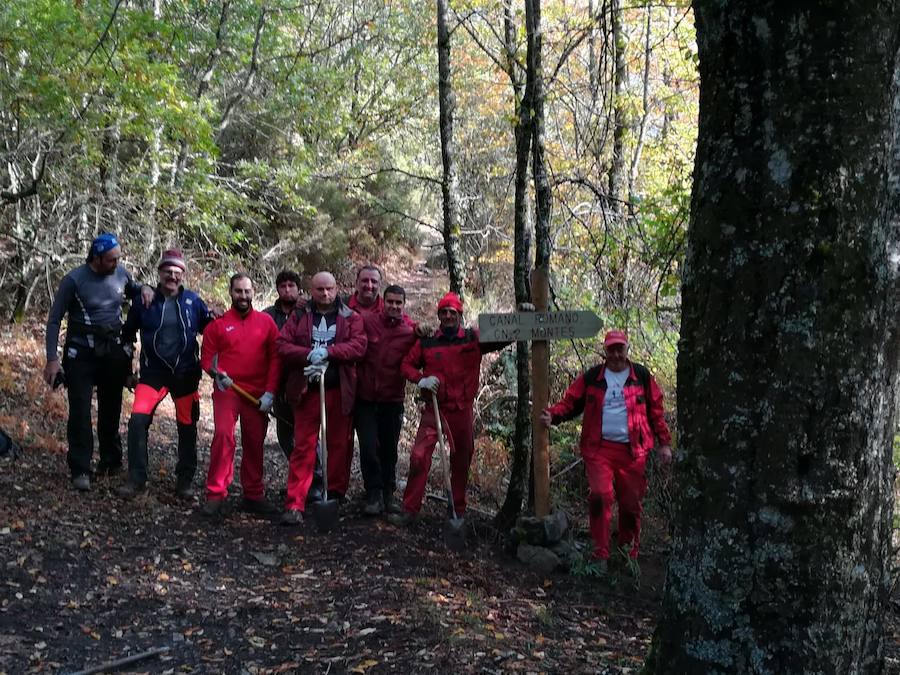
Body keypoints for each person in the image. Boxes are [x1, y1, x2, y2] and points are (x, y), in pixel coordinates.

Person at [540, 330, 672, 570]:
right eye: (612, 349)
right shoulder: (593, 377)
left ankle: (627, 553)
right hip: (599, 449)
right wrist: (553, 415)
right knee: (600, 496)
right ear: (605, 351)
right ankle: (600, 554)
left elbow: (656, 411)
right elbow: (571, 402)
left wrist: (664, 443)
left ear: (627, 349)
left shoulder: (640, 376)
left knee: (631, 505)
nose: (616, 354)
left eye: (620, 348)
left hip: (633, 452)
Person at [388, 292, 511, 526]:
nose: (447, 316)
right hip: (434, 410)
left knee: (461, 460)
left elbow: (504, 335)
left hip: (462, 410)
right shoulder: (428, 340)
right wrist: (421, 378)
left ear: (460, 315)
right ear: (438, 316)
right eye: (443, 312)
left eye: (452, 312)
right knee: (417, 457)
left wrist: (522, 318)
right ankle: (409, 510)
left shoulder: (473, 338)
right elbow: (406, 365)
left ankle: (457, 509)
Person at [43, 233, 153, 491]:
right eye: (112, 259)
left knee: (111, 407)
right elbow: (54, 319)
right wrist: (51, 359)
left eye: (118, 258)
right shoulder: (74, 280)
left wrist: (145, 288)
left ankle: (110, 460)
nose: (117, 262)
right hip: (80, 353)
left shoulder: (121, 274)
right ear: (97, 257)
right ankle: (80, 468)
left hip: (112, 351)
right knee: (80, 410)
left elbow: (134, 288)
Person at [117, 249, 215, 500]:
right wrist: (127, 371)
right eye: (167, 272)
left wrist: (217, 366)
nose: (172, 276)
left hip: (185, 374)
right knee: (138, 421)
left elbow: (213, 332)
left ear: (183, 275)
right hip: (153, 374)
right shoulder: (144, 301)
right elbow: (127, 336)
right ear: (159, 273)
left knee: (187, 426)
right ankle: (136, 479)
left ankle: (185, 482)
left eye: (177, 273)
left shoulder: (193, 301)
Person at [276, 271, 367, 525]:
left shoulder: (351, 317)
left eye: (329, 289)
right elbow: (282, 344)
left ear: (337, 289)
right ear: (311, 290)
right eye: (319, 289)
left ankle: (334, 496)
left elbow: (359, 346)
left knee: (339, 446)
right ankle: (295, 503)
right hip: (307, 392)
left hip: (338, 390)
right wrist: (308, 354)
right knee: (303, 447)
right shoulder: (299, 315)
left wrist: (329, 352)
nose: (325, 294)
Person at [199, 274, 281, 517]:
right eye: (238, 291)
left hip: (256, 394)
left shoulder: (266, 323)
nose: (243, 296)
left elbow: (276, 359)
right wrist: (217, 374)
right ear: (230, 292)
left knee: (254, 442)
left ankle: (253, 494)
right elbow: (207, 359)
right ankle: (215, 494)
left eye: (247, 291)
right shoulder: (218, 325)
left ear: (253, 292)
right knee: (224, 437)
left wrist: (270, 392)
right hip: (229, 391)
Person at [263, 270, 325, 507]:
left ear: (299, 288)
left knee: (306, 438)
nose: (287, 289)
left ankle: (316, 483)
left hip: (304, 382)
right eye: (283, 285)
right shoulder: (268, 315)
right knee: (285, 436)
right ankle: (301, 480)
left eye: (292, 285)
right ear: (277, 289)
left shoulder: (309, 310)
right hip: (278, 384)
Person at [355, 284, 418, 515]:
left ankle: (388, 493)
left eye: (398, 303)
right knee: (369, 447)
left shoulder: (410, 331)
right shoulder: (367, 321)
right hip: (365, 398)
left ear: (404, 305)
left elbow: (422, 353)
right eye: (390, 301)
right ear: (384, 302)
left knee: (389, 449)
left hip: (392, 399)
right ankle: (373, 492)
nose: (393, 306)